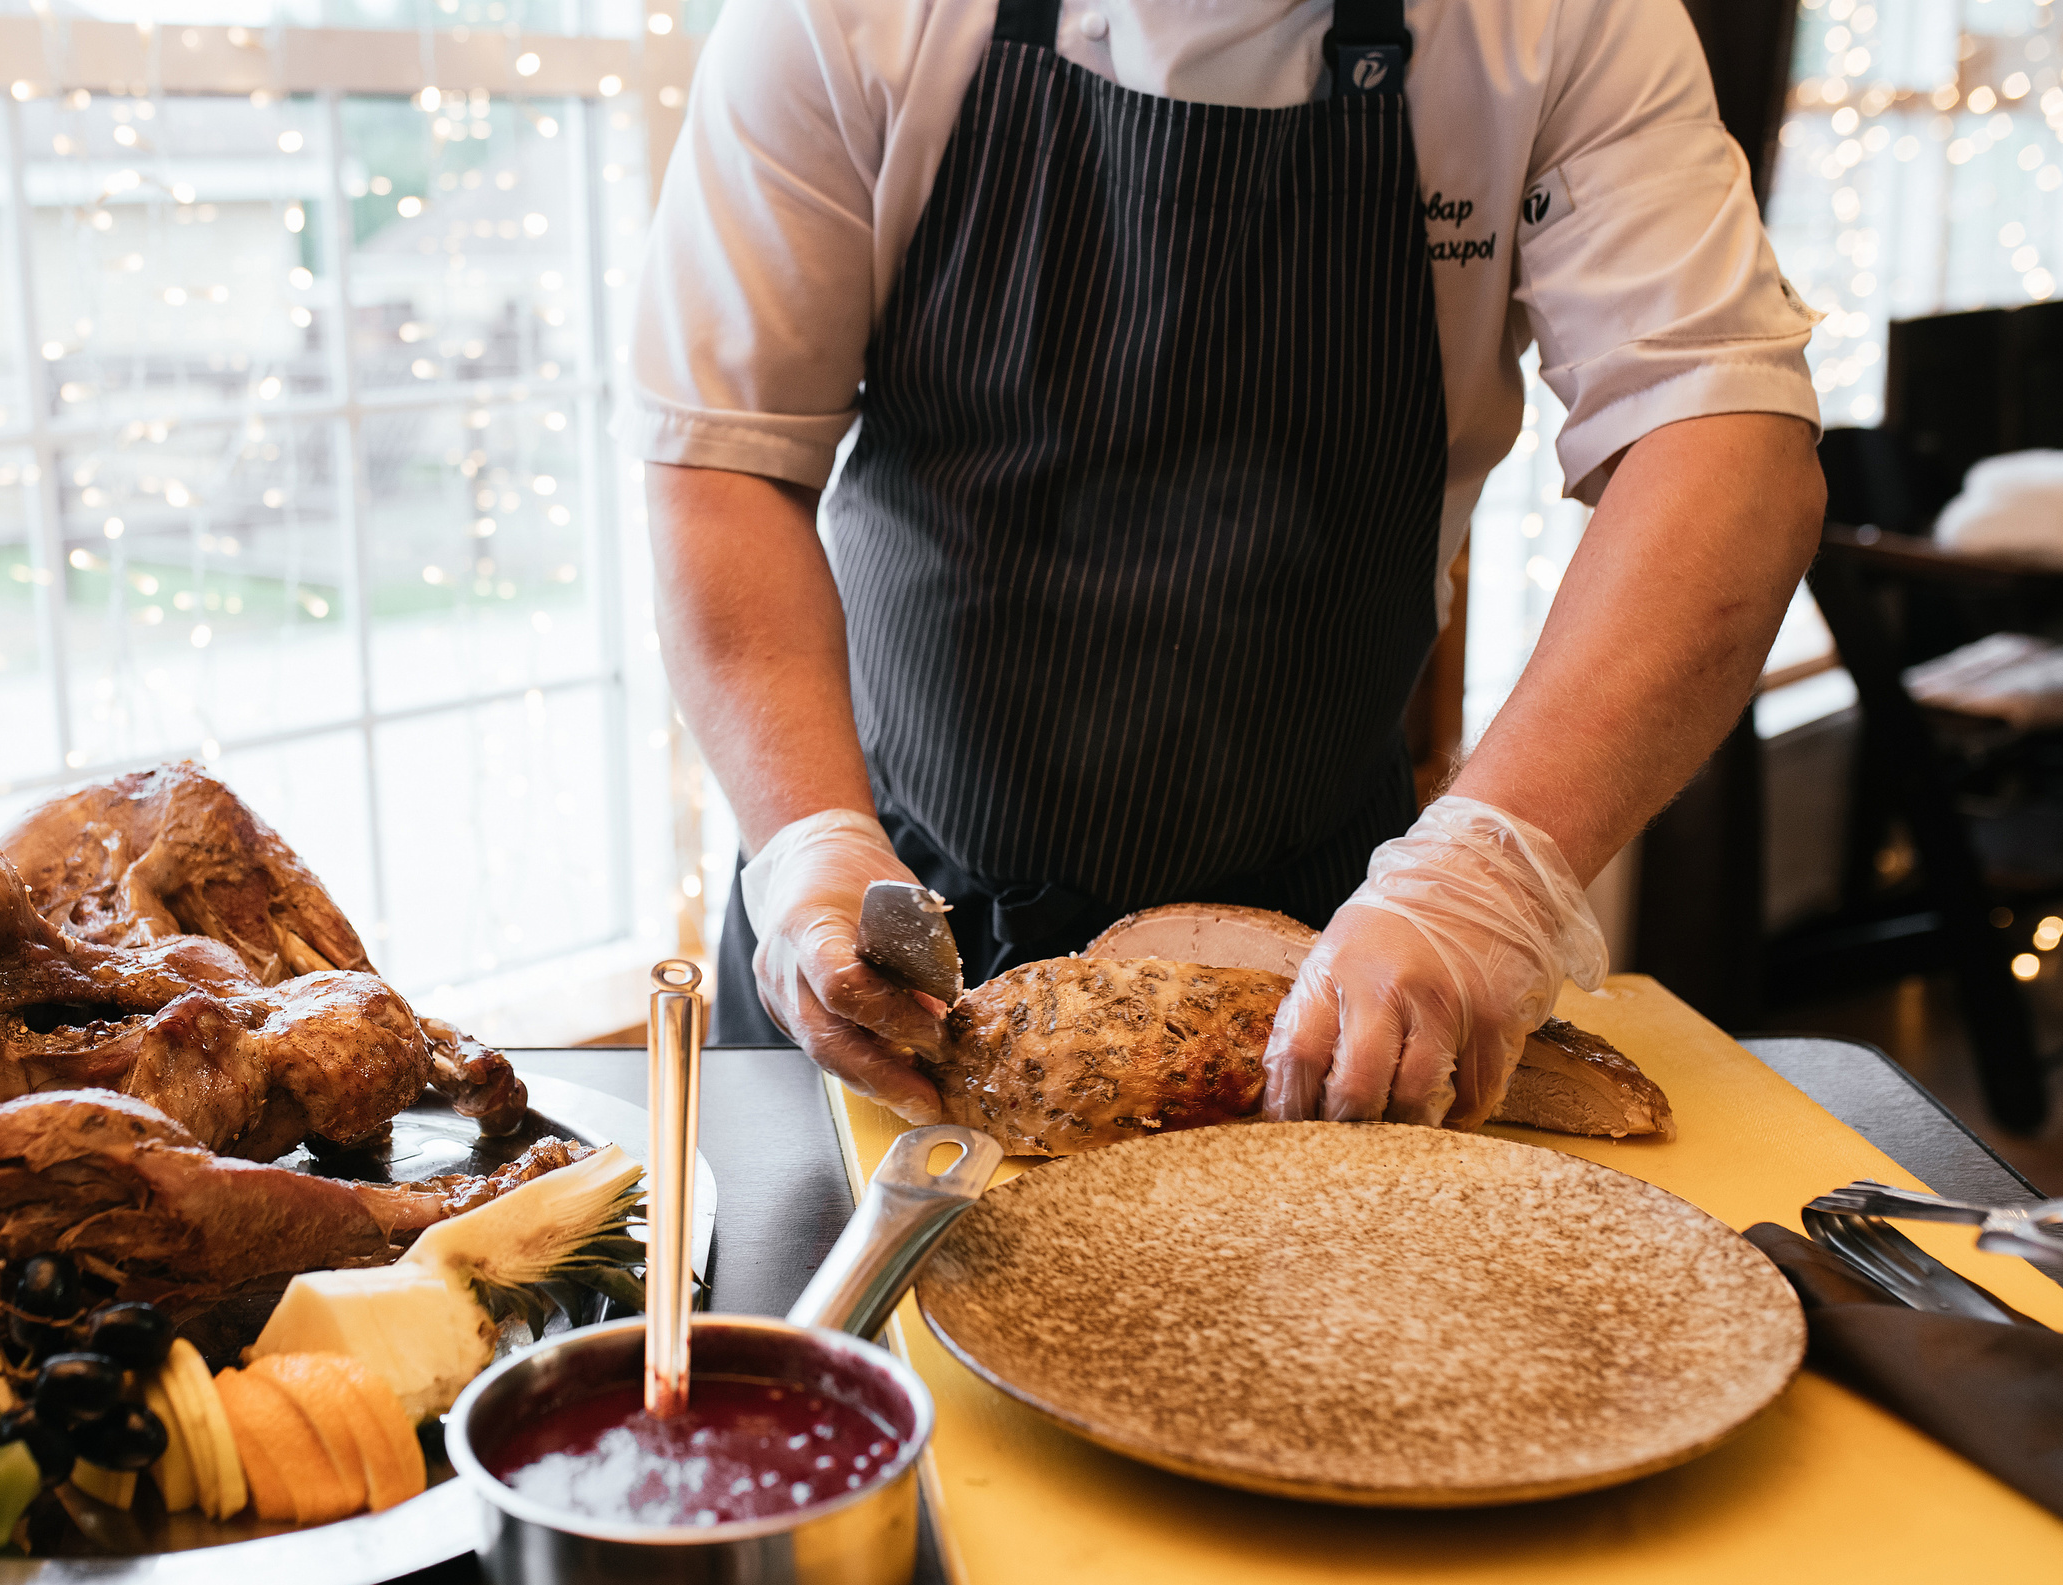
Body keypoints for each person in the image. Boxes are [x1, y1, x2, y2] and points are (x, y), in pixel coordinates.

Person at [628, 0, 1825, 1129]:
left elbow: (1722, 443)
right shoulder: (846, 21)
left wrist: (1489, 876)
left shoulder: (1561, 22)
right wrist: (807, 840)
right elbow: (727, 459)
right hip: (887, 905)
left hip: (1329, 946)